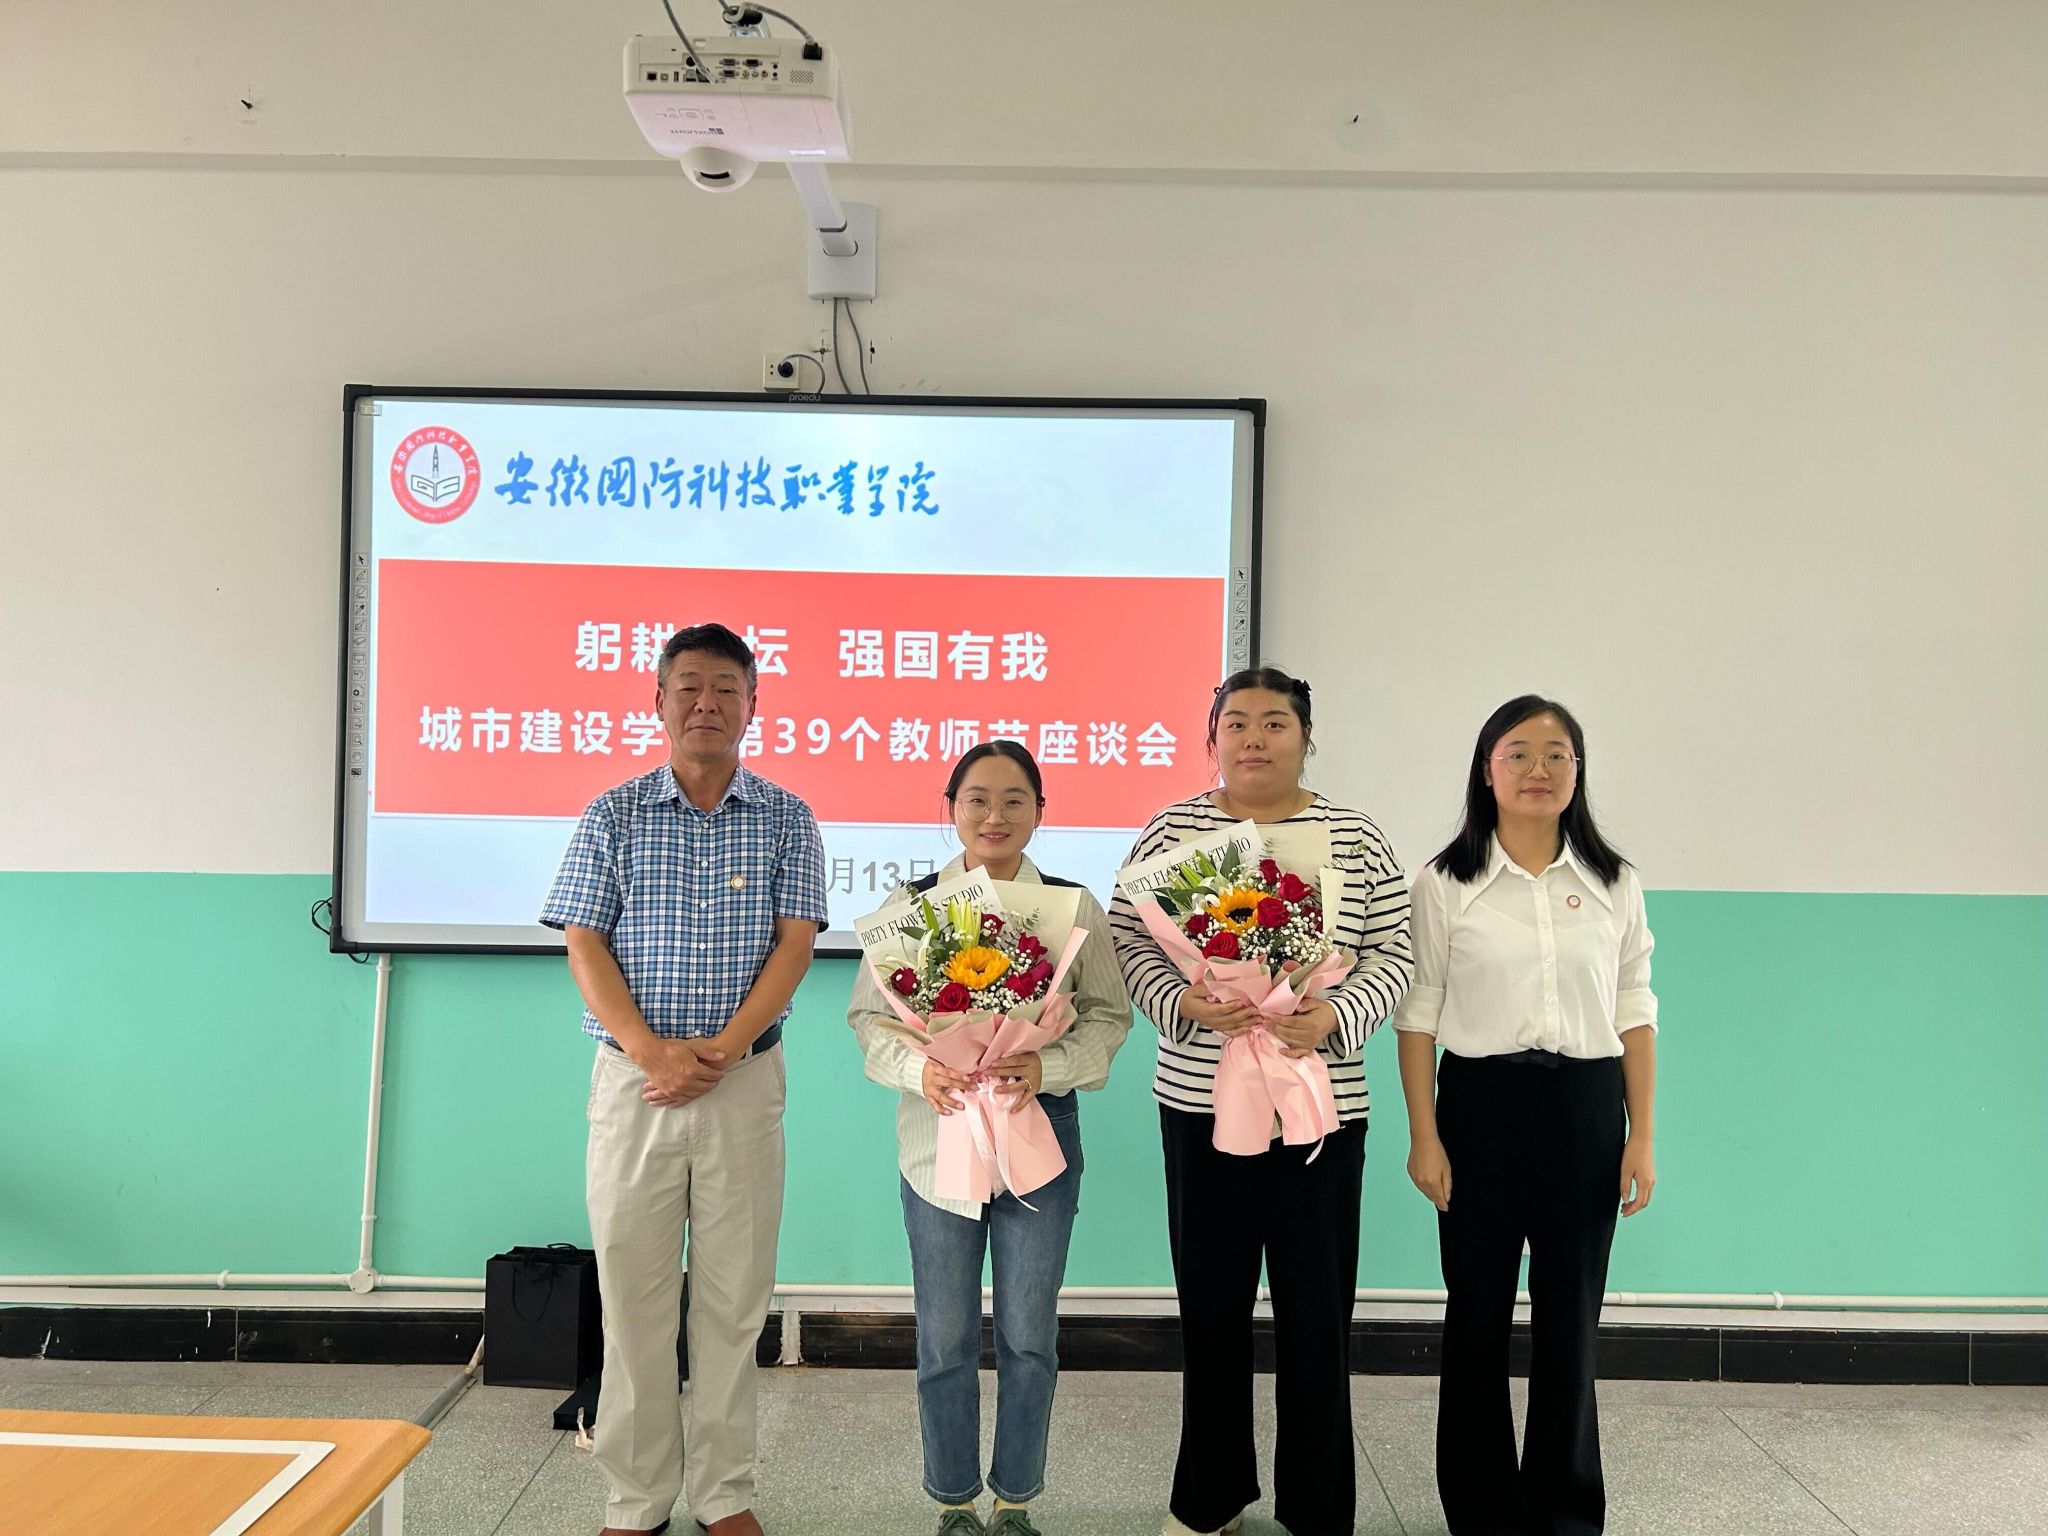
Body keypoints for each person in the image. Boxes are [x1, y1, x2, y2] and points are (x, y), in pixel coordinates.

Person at [1108, 667, 1413, 1536]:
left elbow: (1396, 950)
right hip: (1200, 1103)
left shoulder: (1354, 835)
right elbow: (1130, 936)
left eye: (1275, 722)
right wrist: (1182, 1001)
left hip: (1323, 1109)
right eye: (1236, 722)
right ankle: (1210, 1500)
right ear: (1212, 739)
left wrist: (1336, 1014)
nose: (1254, 738)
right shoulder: (1174, 829)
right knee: (1211, 1306)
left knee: (1318, 1313)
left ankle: (1318, 1507)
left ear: (1306, 737)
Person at [541, 622, 828, 1536]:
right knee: (633, 1297)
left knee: (733, 1301)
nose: (708, 703)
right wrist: (650, 1050)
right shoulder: (614, 813)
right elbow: (584, 941)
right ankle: (636, 1498)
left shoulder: (787, 816)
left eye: (726, 688)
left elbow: (795, 946)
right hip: (636, 1083)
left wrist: (724, 1052)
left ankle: (724, 1493)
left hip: (744, 1082)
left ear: (754, 704)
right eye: (689, 686)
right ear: (659, 700)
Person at [849, 740, 1134, 1536]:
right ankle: (952, 1501)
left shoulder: (1072, 908)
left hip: (1039, 1132)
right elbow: (870, 1019)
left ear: (1041, 811)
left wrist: (1049, 1064)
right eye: (977, 799)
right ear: (951, 810)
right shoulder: (912, 907)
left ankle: (1015, 1499)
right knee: (943, 1339)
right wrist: (923, 1072)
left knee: (1028, 1336)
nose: (995, 815)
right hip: (937, 1136)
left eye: (1015, 800)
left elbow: (1109, 1016)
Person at [1393, 695, 1659, 1536]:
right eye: (1518, 753)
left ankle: (1565, 1509)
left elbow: (1635, 1009)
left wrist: (1642, 1136)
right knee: (1476, 1311)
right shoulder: (1445, 882)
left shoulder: (1614, 882)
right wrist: (1425, 1135)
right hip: (1480, 1105)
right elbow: (1419, 1015)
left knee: (1570, 1314)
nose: (1537, 769)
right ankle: (1480, 1509)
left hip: (1586, 1107)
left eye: (1556, 754)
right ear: (1487, 770)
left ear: (1578, 772)